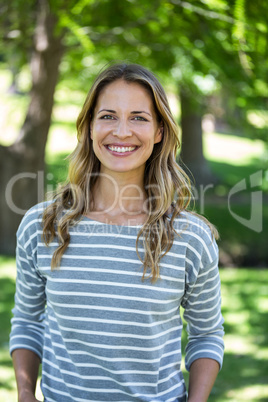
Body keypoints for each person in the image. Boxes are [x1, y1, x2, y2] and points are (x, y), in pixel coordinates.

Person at [10, 63, 224, 402]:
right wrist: (25, 394)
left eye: (138, 117)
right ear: (90, 127)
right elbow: (27, 320)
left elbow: (207, 335)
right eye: (108, 116)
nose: (122, 131)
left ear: (159, 132)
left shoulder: (190, 238)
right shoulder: (43, 226)